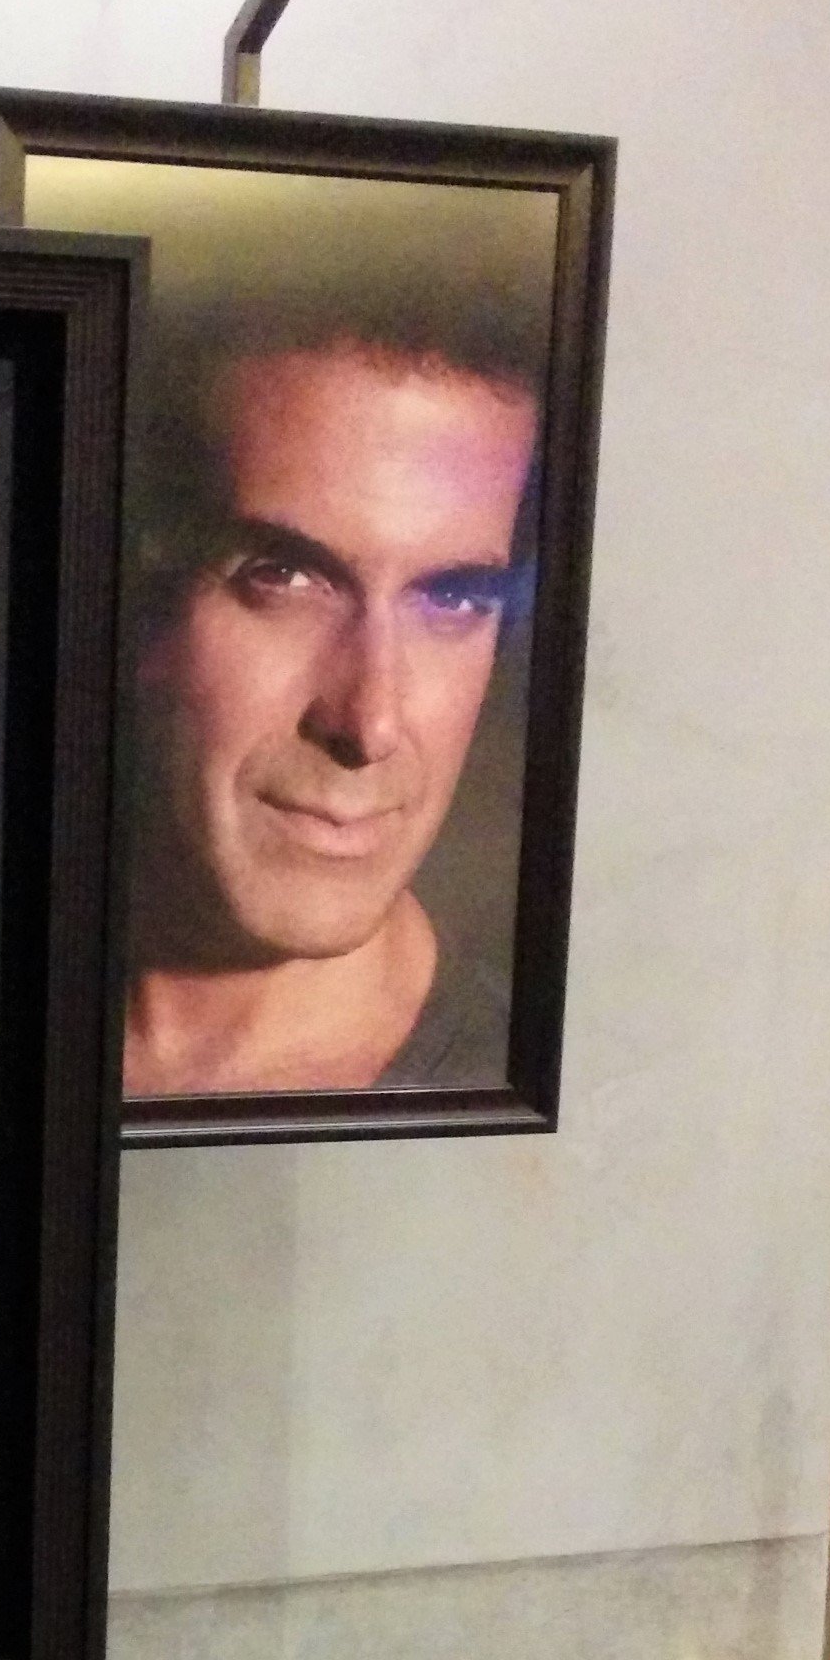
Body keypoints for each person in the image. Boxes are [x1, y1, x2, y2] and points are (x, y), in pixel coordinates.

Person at [124, 291, 544, 1097]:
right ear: (140, 605)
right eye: (284, 576)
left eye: (453, 596)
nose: (369, 721)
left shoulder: (550, 1105)